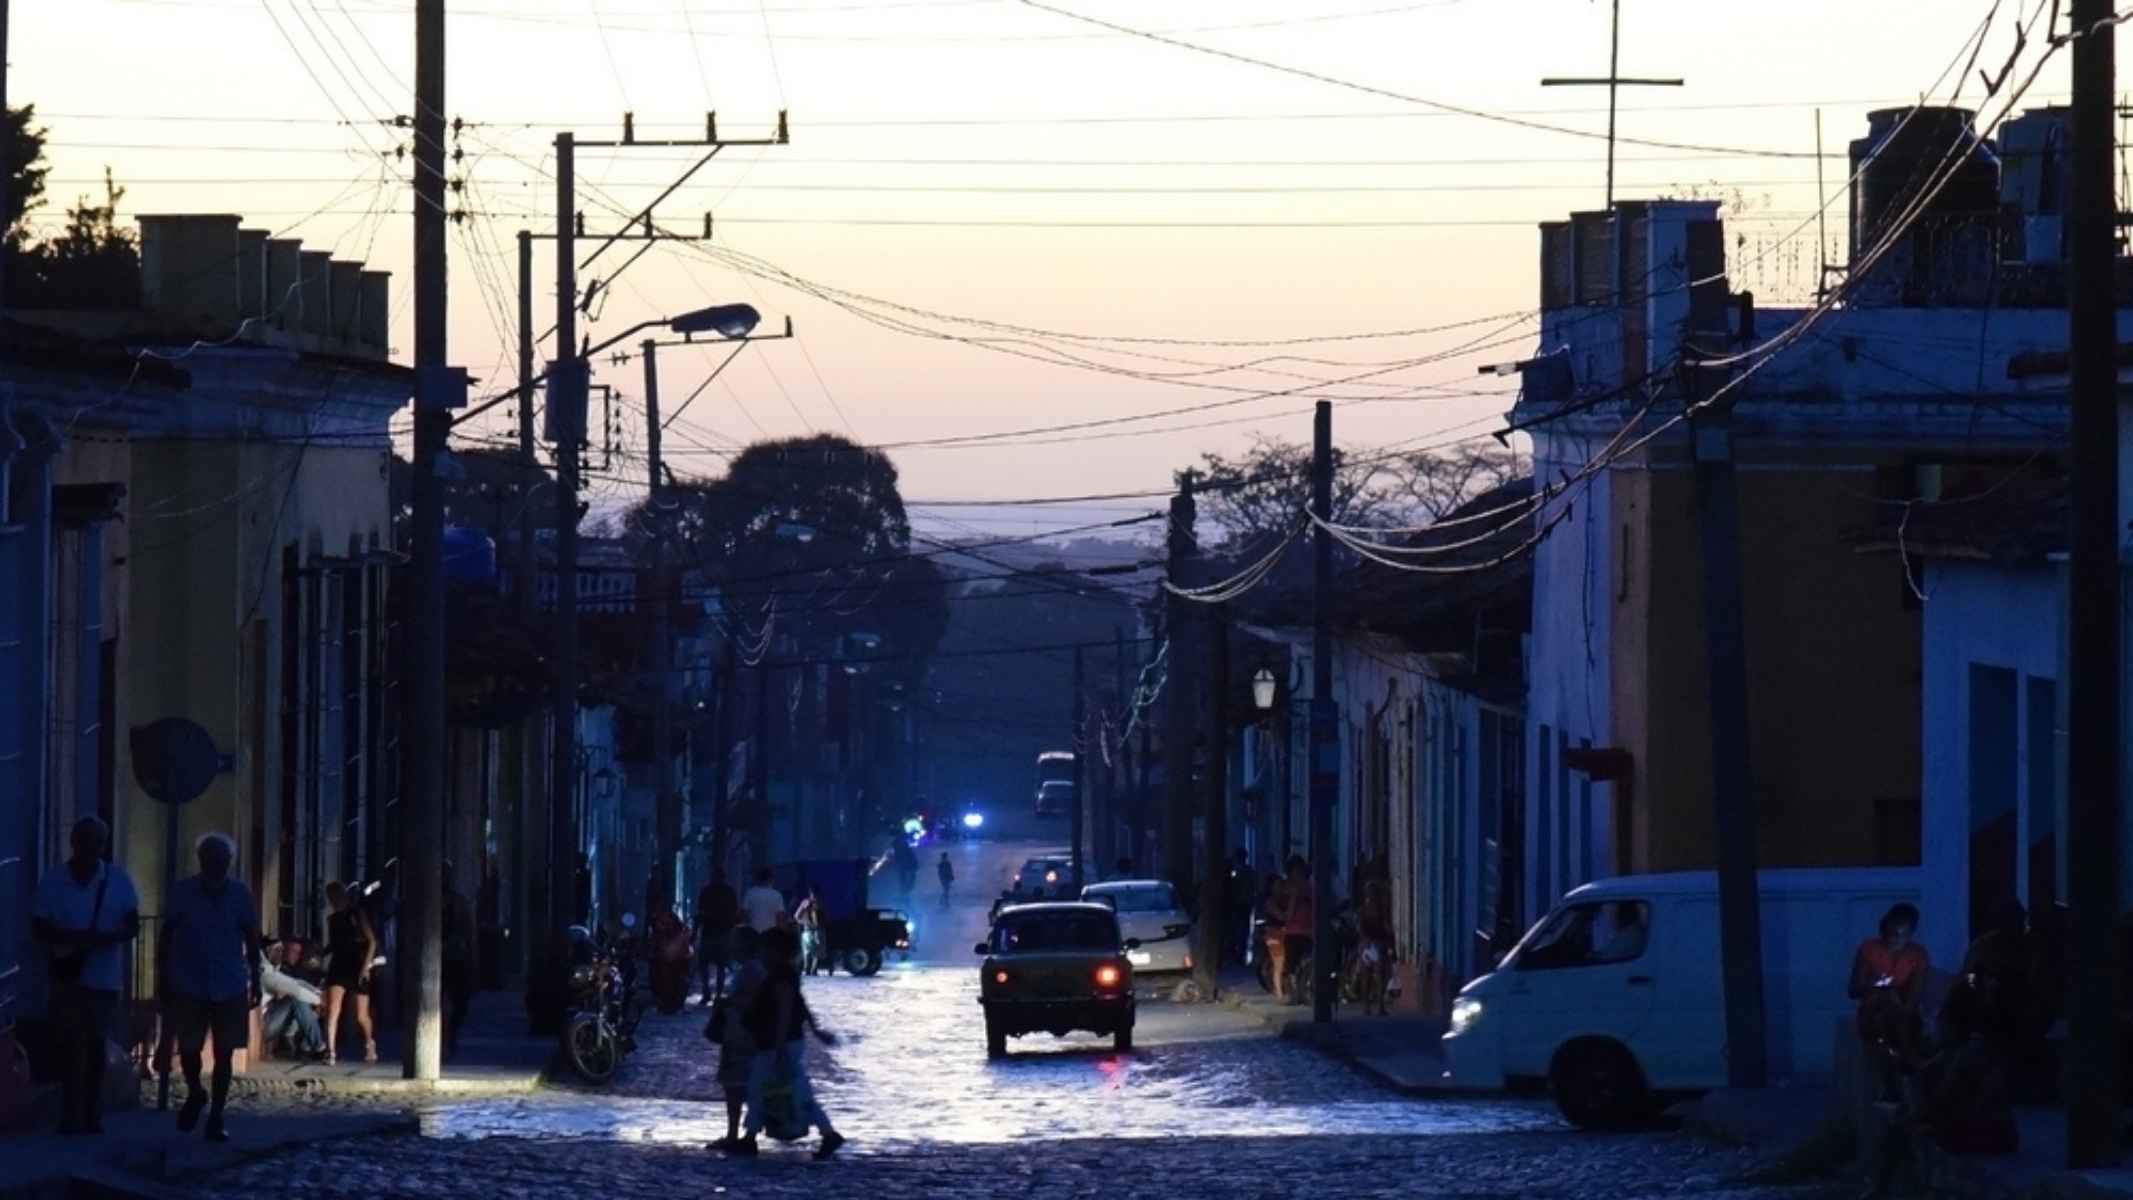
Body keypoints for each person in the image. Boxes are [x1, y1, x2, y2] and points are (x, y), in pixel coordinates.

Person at [30, 816, 141, 1136]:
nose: (88, 847)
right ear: (74, 843)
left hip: (104, 978)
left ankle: (91, 1112)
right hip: (66, 975)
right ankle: (69, 1112)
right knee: (66, 1044)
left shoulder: (117, 881)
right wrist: (72, 938)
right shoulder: (53, 880)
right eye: (83, 840)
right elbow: (37, 925)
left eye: (95, 842)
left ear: (102, 846)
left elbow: (132, 924)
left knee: (94, 1046)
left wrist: (105, 939)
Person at [161, 832, 262, 1143]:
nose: (218, 865)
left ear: (229, 862)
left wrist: (255, 977)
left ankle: (217, 1115)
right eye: (212, 859)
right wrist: (164, 978)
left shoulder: (240, 894)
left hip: (229, 982)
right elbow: (167, 936)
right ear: (202, 860)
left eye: (223, 860)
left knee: (225, 1053)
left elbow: (251, 937)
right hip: (190, 982)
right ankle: (195, 1092)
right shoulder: (183, 892)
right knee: (189, 1048)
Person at [725, 926, 845, 1159]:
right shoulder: (785, 974)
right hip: (782, 1041)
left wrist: (779, 1045)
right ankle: (827, 1134)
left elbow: (785, 1010)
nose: (762, 953)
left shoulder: (781, 976)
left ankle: (751, 1139)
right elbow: (800, 1005)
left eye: (766, 948)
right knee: (789, 1090)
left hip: (778, 1042)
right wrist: (815, 1030)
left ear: (776, 951)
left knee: (762, 1088)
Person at [711, 926, 769, 1151]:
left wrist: (727, 1003)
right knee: (740, 1087)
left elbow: (750, 1000)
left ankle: (741, 1136)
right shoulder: (750, 968)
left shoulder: (751, 970)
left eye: (734, 941)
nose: (730, 946)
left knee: (736, 1086)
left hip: (743, 1034)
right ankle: (740, 1135)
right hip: (741, 1032)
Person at [322, 880, 380, 1066]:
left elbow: (372, 941)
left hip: (357, 964)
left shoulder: (356, 914)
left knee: (361, 1016)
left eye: (335, 896)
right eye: (330, 897)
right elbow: (334, 944)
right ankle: (330, 1050)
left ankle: (369, 1043)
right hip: (338, 965)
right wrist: (320, 953)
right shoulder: (332, 919)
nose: (332, 900)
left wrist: (365, 967)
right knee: (333, 1009)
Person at [260, 939, 325, 1059]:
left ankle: (314, 1046)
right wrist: (321, 1002)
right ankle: (318, 1047)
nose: (280, 953)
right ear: (268, 952)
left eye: (281, 950)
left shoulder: (275, 970)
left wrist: (318, 993)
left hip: (272, 1019)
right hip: (262, 1026)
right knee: (298, 998)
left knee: (301, 1000)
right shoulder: (266, 973)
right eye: (277, 950)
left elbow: (296, 982)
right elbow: (296, 990)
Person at [441, 872, 476, 1057]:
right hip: (442, 957)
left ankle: (450, 1036)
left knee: (459, 1002)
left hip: (457, 956)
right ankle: (444, 1039)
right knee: (445, 1002)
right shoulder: (432, 903)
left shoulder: (459, 903)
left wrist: (471, 955)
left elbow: (469, 930)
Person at [696, 870, 740, 1002]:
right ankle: (718, 994)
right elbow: (735, 912)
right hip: (723, 933)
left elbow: (700, 912)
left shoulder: (706, 891)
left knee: (703, 964)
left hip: (708, 932)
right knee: (721, 965)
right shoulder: (729, 892)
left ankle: (706, 992)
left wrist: (696, 930)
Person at [1277, 856, 1316, 1006]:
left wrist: (1284, 917)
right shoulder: (1310, 886)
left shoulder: (1296, 888)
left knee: (1293, 966)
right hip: (1307, 931)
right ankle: (1302, 994)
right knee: (1304, 964)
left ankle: (1296, 996)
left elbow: (1290, 912)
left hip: (1295, 931)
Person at [1227, 850, 1259, 966]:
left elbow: (1234, 887)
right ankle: (1241, 953)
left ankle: (1238, 953)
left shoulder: (1237, 872)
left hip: (1238, 903)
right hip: (1245, 903)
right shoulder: (1250, 871)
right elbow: (1255, 886)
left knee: (1238, 929)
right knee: (1243, 930)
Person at [742, 867, 786, 934]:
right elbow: (780, 917)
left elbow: (745, 914)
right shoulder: (777, 895)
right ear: (770, 879)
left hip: (753, 932)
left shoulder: (750, 893)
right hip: (771, 933)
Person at [794, 887, 826, 977]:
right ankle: (810, 971)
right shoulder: (809, 903)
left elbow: (796, 916)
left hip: (812, 930)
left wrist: (805, 923)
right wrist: (806, 923)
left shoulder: (817, 903)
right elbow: (796, 916)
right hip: (811, 930)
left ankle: (811, 971)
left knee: (812, 952)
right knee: (812, 952)